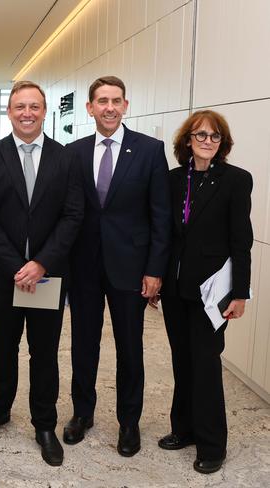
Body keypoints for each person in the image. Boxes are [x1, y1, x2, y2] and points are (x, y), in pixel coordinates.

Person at [0, 81, 84, 466]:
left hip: (48, 274)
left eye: (34, 106)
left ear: (45, 110)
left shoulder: (65, 158)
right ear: (9, 111)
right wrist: (17, 266)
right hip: (3, 275)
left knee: (44, 350)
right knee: (5, 345)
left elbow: (73, 215)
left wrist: (41, 264)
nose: (27, 113)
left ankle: (44, 423)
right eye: (20, 106)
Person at [65, 76, 172, 456]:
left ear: (126, 105)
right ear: (90, 108)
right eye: (101, 101)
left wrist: (155, 269)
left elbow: (162, 216)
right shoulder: (73, 153)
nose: (109, 107)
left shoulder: (149, 150)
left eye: (116, 100)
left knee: (130, 348)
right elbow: (68, 214)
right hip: (84, 268)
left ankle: (129, 423)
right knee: (83, 346)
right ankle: (82, 413)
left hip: (132, 268)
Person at [153, 110, 252, 474]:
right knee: (183, 360)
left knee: (207, 365)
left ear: (222, 144)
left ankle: (212, 445)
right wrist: (157, 280)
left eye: (214, 137)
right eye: (200, 136)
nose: (207, 142)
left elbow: (242, 242)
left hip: (213, 293)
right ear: (187, 141)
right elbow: (164, 233)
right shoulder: (174, 179)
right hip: (177, 289)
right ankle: (184, 429)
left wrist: (239, 294)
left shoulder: (236, 180)